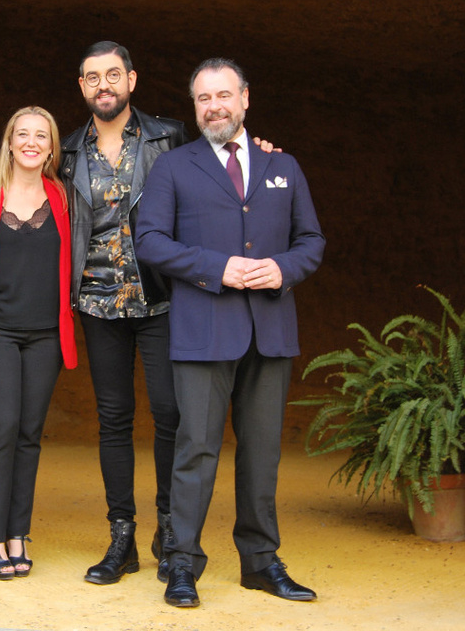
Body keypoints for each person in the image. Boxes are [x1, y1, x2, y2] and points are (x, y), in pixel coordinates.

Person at [134, 58, 325, 608]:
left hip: (270, 329)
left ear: (245, 98)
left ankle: (261, 562)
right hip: (202, 329)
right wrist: (216, 267)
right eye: (202, 99)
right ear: (194, 107)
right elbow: (149, 240)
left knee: (262, 453)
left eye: (223, 95)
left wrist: (284, 269)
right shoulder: (174, 167)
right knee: (195, 450)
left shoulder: (282, 164)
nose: (214, 106)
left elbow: (311, 239)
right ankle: (183, 564)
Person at [60, 41, 186, 584]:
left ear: (132, 80)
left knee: (170, 414)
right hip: (96, 300)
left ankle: (170, 529)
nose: (103, 85)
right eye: (92, 77)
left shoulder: (170, 136)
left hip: (161, 297)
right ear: (82, 87)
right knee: (113, 420)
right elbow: (28, 188)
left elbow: (210, 184)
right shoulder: (66, 151)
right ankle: (122, 537)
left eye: (113, 75)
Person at [0, 107, 77, 580]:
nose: (32, 142)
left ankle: (17, 533)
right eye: (23, 134)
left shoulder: (66, 198)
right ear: (9, 142)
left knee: (30, 434)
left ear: (53, 147)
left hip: (47, 336)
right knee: (1, 430)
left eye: (42, 136)